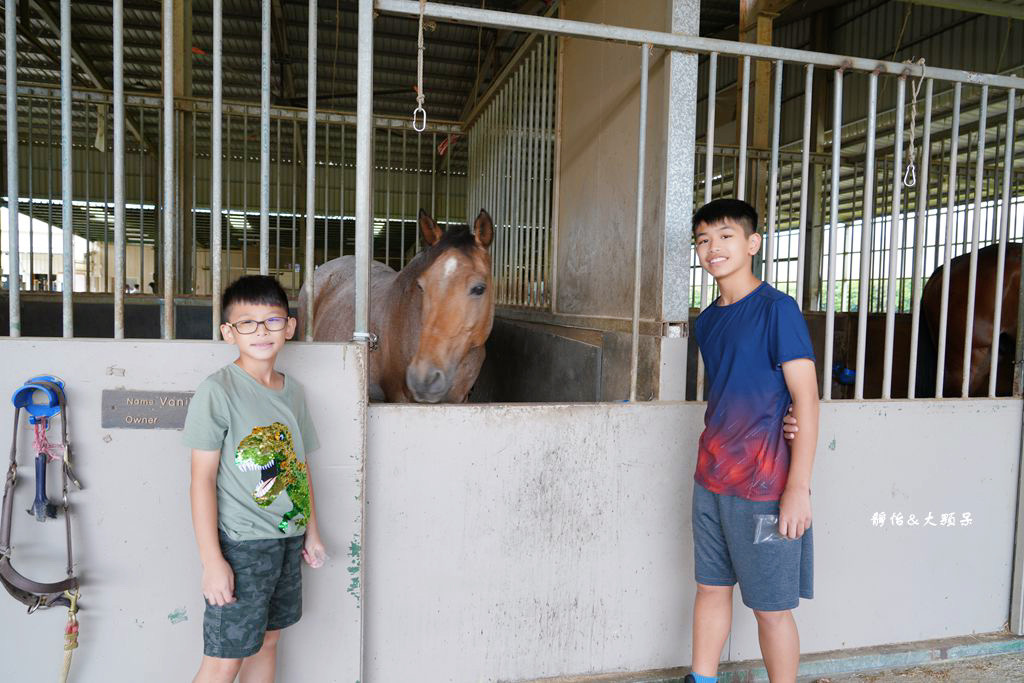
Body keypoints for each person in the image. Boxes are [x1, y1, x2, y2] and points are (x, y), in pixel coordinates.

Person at [685, 199, 819, 683]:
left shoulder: (777, 311)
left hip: (766, 488)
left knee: (771, 610)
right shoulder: (707, 321)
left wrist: (797, 488)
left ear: (752, 243)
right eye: (703, 240)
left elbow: (806, 399)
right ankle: (701, 679)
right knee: (710, 588)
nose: (712, 247)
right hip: (711, 480)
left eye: (724, 236)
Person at [183, 274, 327, 683]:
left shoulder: (293, 392)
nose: (261, 332)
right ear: (229, 333)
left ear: (290, 326)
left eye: (272, 320)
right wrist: (213, 561)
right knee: (225, 659)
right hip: (242, 546)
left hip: (286, 540)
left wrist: (311, 531)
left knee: (268, 642)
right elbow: (201, 480)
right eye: (247, 323)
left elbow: (300, 468)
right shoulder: (217, 391)